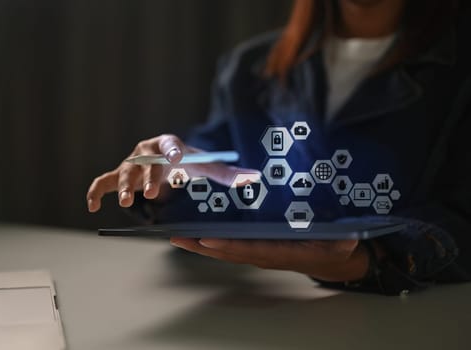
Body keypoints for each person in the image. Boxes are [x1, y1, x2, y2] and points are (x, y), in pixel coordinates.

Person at [87, 0, 471, 295]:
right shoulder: (249, 66)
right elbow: (224, 191)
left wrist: (374, 258)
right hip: (273, 314)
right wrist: (170, 182)